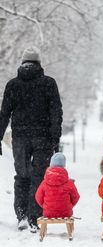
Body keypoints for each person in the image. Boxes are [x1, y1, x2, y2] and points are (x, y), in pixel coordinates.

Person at [0, 46, 63, 232]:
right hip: (42, 138)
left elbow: (4, 113)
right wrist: (55, 138)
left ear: (23, 63)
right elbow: (56, 113)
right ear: (39, 63)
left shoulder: (13, 85)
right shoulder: (48, 83)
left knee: (21, 176)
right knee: (39, 176)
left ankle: (22, 215)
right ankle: (35, 217)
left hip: (19, 138)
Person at [36, 153, 80, 218]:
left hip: (48, 213)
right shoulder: (69, 182)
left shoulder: (44, 182)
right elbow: (76, 196)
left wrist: (46, 206)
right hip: (66, 213)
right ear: (64, 166)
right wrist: (69, 206)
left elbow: (38, 197)